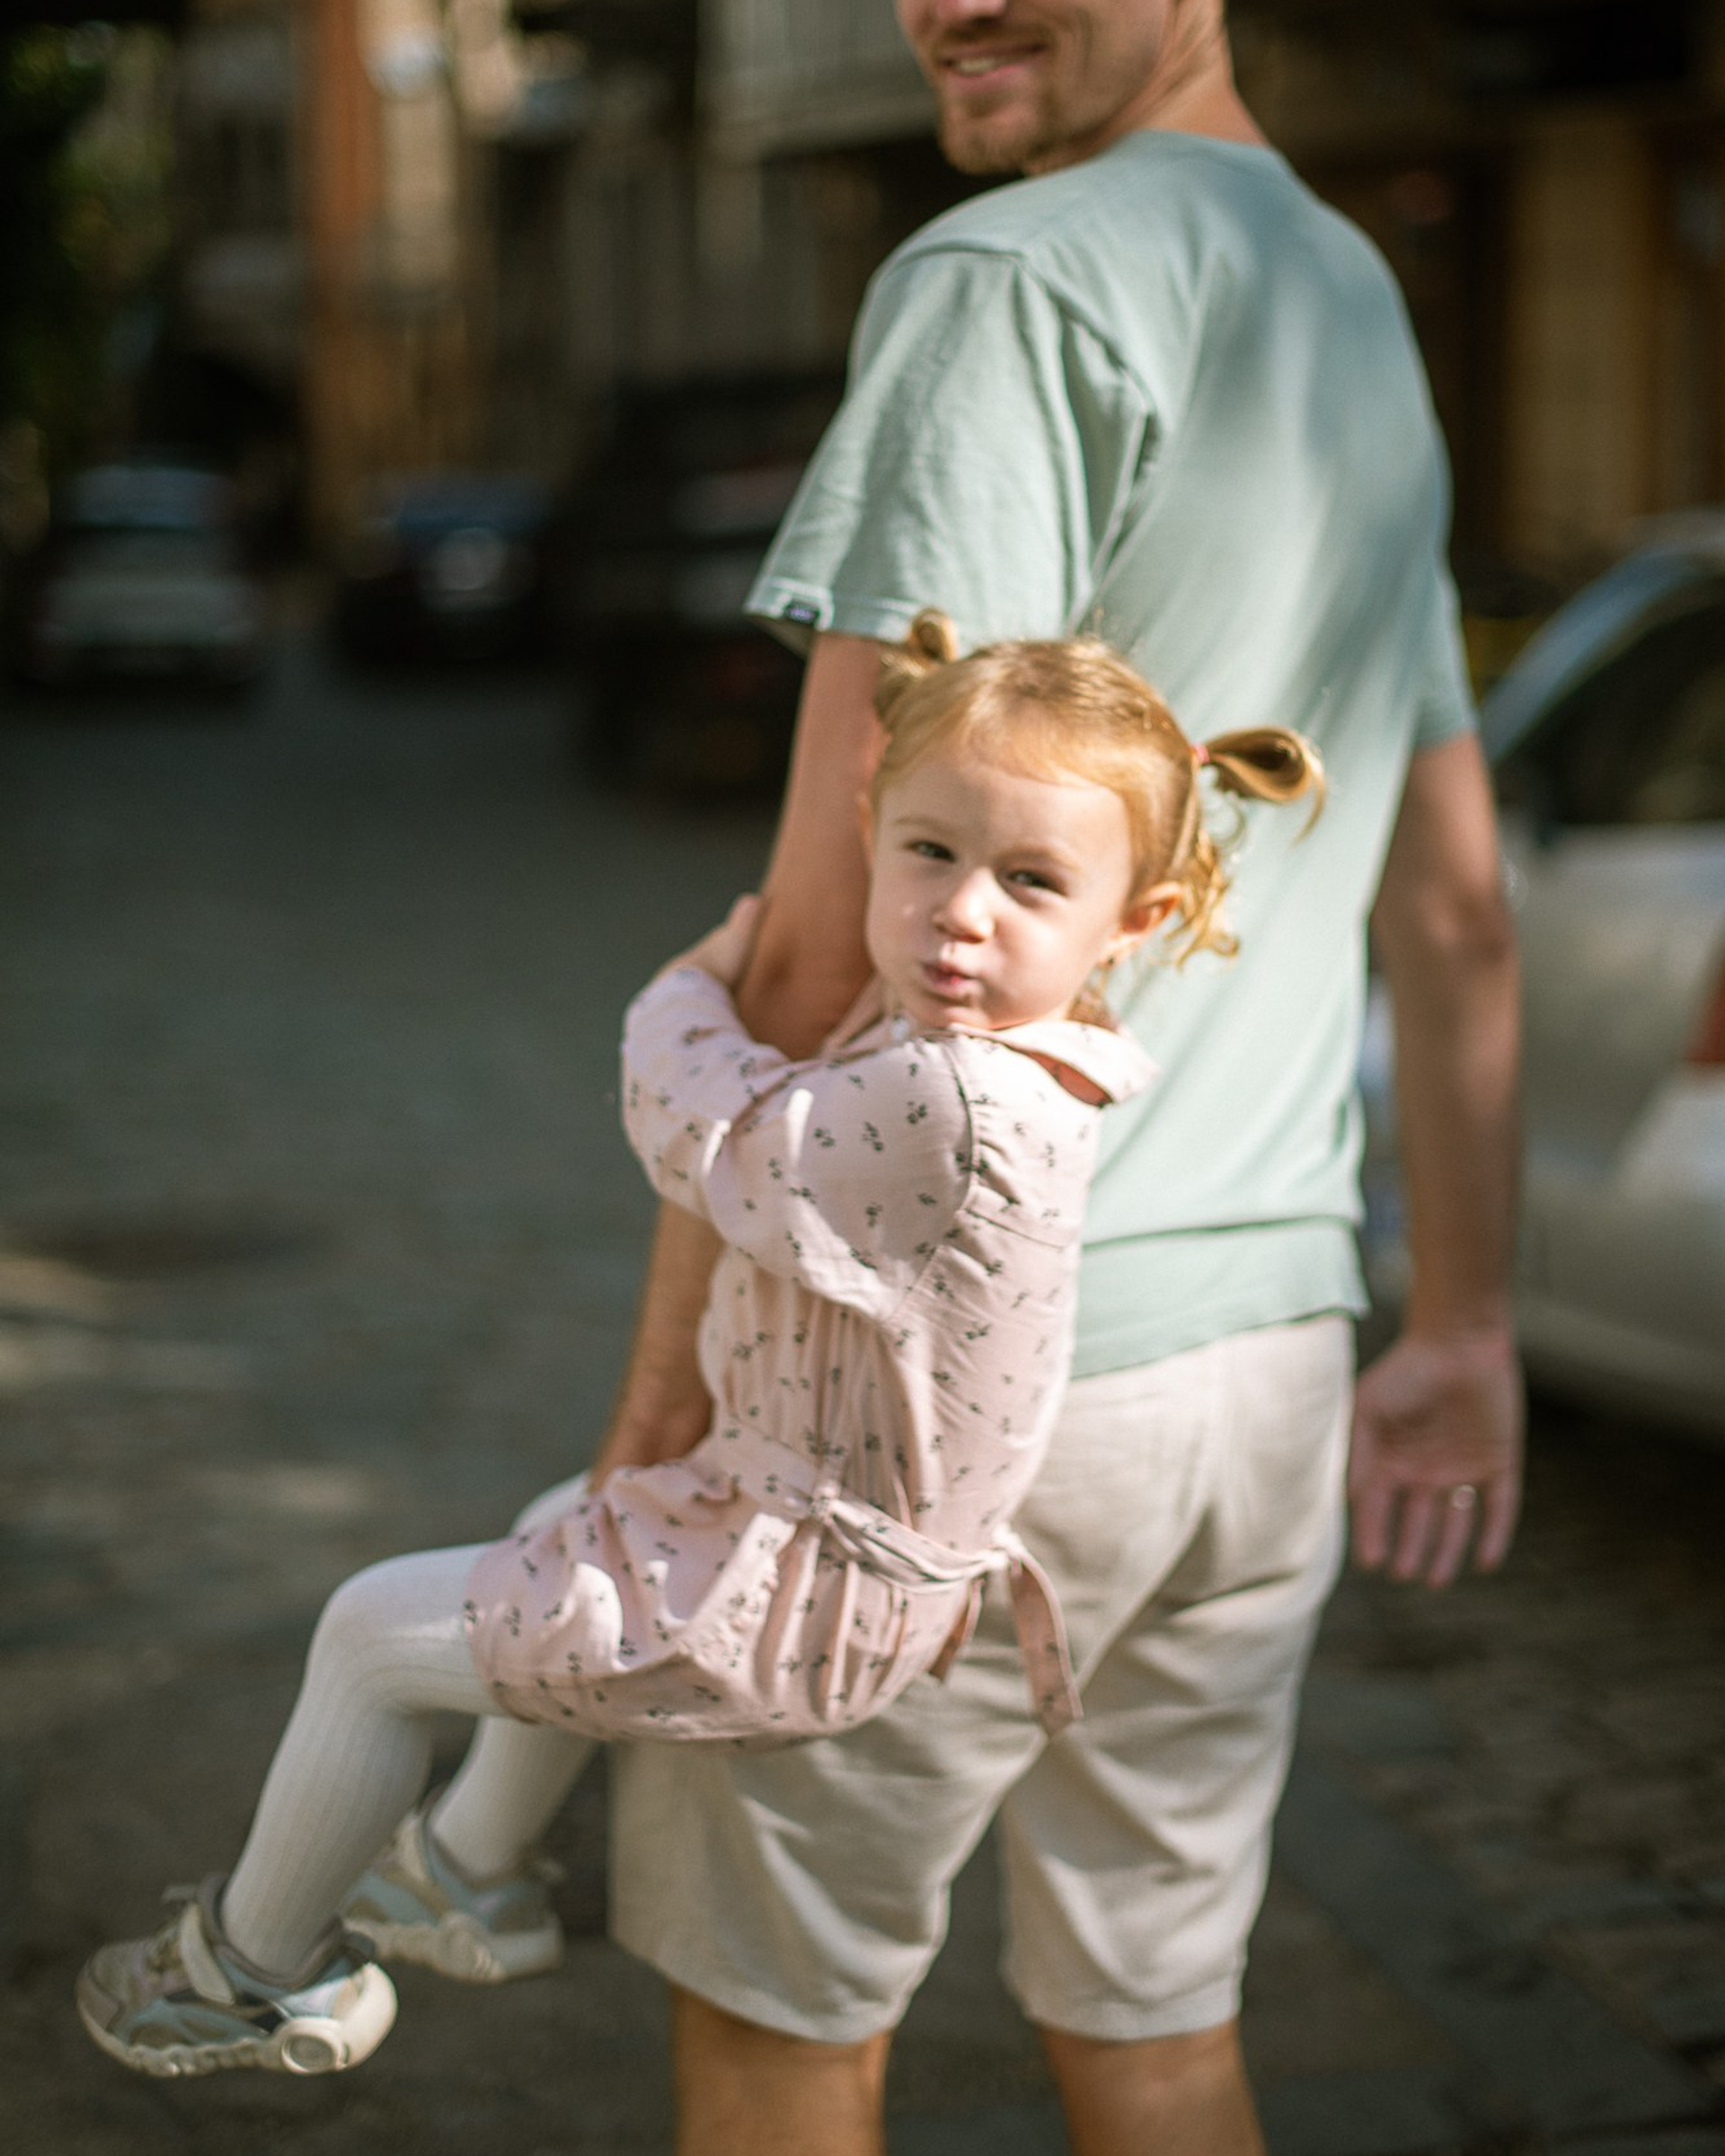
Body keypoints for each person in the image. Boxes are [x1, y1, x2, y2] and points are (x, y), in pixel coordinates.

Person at [580, 6, 1525, 2155]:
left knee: (779, 2029)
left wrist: (664, 1417)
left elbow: (826, 941)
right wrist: (1457, 1314)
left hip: (956, 1381)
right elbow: (1455, 909)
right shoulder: (1350, 289)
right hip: (1262, 1379)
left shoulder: (1005, 281)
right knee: (1162, 2029)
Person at [75, 615, 1322, 2082]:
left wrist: (701, 972)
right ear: (873, 831)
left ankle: (244, 1976)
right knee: (565, 1520)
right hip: (772, 1522)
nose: (961, 914)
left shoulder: (965, 1105)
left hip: (795, 1595)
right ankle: (465, 1872)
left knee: (366, 1635)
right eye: (928, 853)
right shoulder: (980, 1034)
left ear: (1136, 923)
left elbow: (704, 1123)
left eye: (1031, 880)